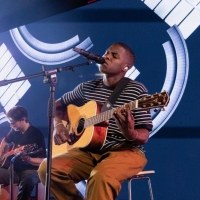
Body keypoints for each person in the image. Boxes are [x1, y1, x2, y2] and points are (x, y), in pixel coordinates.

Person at [38, 42, 153, 200]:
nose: (107, 56)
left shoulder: (135, 90)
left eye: (114, 55)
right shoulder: (87, 88)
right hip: (89, 151)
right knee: (47, 169)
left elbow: (144, 135)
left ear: (125, 67)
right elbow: (57, 104)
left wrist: (131, 133)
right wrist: (58, 125)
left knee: (100, 176)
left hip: (125, 151)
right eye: (107, 52)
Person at [0, 106, 46, 200]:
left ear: (23, 119)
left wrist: (28, 159)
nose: (11, 126)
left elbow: (42, 160)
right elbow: (5, 140)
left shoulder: (36, 135)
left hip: (32, 170)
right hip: (14, 170)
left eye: (13, 123)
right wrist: (1, 150)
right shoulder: (15, 130)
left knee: (27, 181)